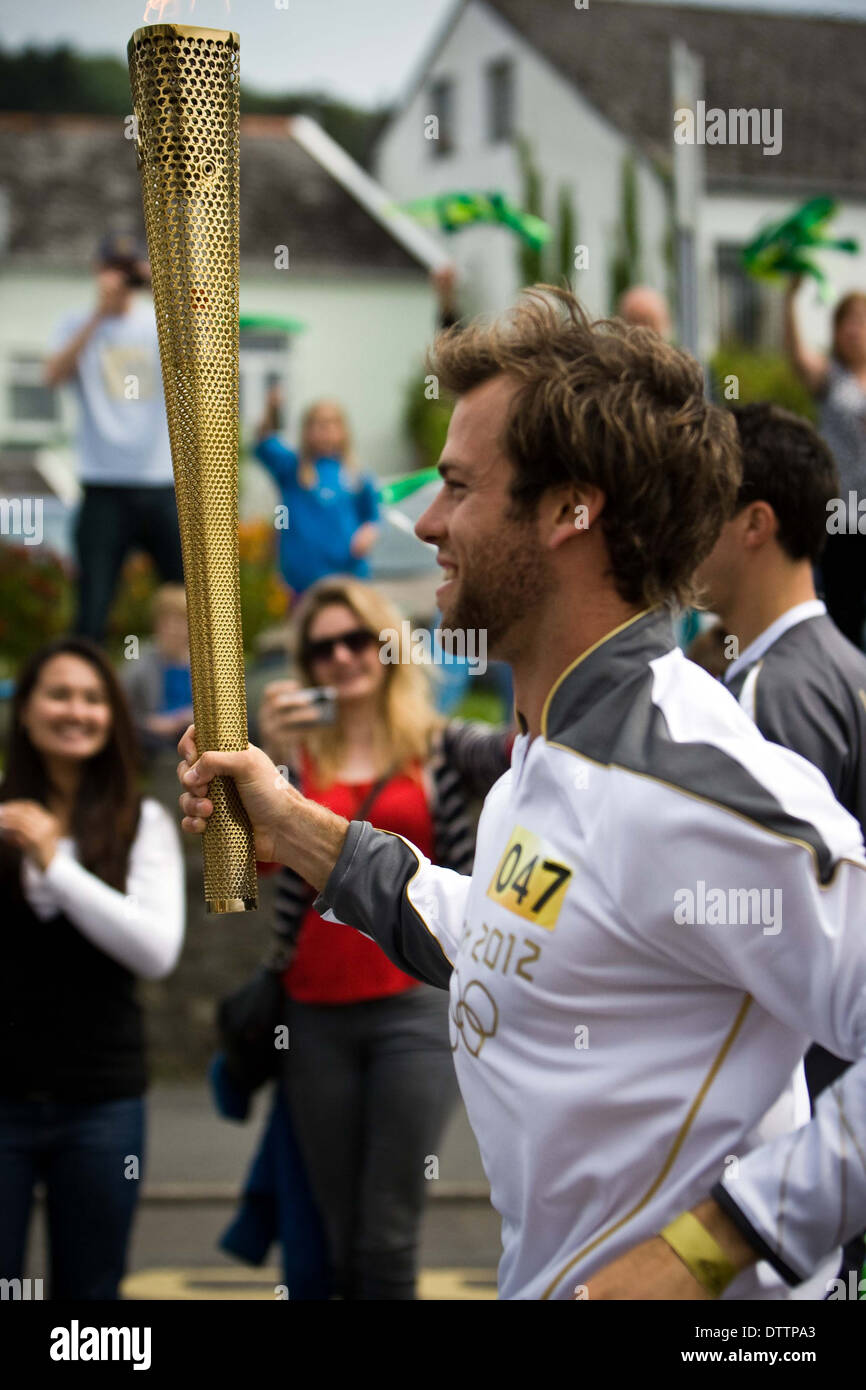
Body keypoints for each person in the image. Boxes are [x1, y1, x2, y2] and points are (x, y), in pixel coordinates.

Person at [179, 286, 866, 1302]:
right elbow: (502, 937)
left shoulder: (685, 778)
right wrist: (299, 827)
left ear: (568, 510)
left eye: (457, 486)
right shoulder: (544, 752)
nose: (424, 520)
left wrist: (713, 1242)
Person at [254, 575, 512, 1299]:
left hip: (413, 1002)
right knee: (337, 1228)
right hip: (314, 1006)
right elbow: (253, 866)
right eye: (322, 646)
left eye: (358, 639)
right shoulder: (293, 759)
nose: (342, 657)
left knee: (388, 1233)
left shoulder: (437, 746)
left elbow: (530, 750)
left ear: (390, 648)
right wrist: (268, 757)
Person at [695, 401, 866, 1281]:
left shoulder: (768, 693)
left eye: (705, 504)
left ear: (756, 525)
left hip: (819, 1106)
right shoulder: (841, 665)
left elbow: (768, 928)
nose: (685, 529)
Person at [0, 637, 184, 1299]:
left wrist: (56, 864)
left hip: (101, 1103)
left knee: (91, 1297)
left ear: (113, 715)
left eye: (92, 697)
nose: (76, 711)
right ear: (25, 712)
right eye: (58, 695)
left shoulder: (144, 823)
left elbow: (155, 951)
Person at [44, 233, 184, 643]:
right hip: (103, 484)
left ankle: (196, 695)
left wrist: (160, 284)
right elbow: (51, 376)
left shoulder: (160, 321)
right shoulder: (74, 324)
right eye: (113, 269)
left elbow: (202, 353)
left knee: (190, 596)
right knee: (92, 605)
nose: (120, 279)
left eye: (128, 270)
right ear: (97, 271)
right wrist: (98, 316)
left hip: (161, 482)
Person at [784, 276, 866, 646]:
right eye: (849, 321)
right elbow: (798, 355)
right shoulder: (832, 379)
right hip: (844, 516)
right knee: (843, 615)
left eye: (863, 321)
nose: (856, 330)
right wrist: (790, 297)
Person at [254, 391, 380, 602]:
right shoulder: (292, 468)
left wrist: (368, 532)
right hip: (303, 582)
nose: (325, 430)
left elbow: (373, 517)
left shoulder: (356, 475)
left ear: (343, 430)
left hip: (348, 577)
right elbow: (264, 441)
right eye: (318, 424)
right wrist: (272, 410)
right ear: (306, 431)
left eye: (331, 423)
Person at [122, 583, 194, 762]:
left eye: (180, 621)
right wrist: (150, 723)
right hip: (154, 734)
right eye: (166, 622)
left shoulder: (204, 661)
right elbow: (122, 706)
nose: (173, 629)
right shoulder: (139, 660)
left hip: (194, 730)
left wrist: (183, 719)